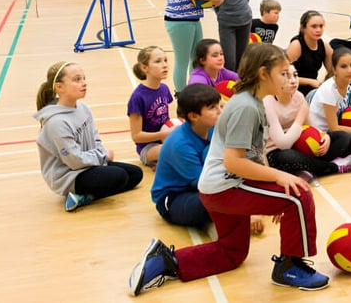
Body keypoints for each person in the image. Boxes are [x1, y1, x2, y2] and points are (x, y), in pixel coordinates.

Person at [129, 43, 330, 296]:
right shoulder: (246, 107)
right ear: (263, 74)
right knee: (300, 196)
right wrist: (280, 177)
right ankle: (290, 267)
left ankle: (166, 261)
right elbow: (233, 162)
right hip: (226, 186)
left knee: (232, 253)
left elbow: (254, 155)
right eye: (282, 73)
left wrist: (275, 188)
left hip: (219, 186)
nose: (287, 78)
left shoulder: (253, 102)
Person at [35, 61, 143, 212]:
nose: (83, 83)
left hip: (88, 165)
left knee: (135, 174)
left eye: (84, 78)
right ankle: (74, 192)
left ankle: (86, 196)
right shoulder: (56, 122)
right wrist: (103, 156)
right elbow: (74, 161)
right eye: (77, 79)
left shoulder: (82, 108)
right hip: (69, 175)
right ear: (59, 87)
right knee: (119, 176)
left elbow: (95, 137)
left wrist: (101, 155)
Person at [264, 63, 351, 179]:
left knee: (342, 137)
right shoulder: (268, 101)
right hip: (278, 151)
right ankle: (335, 166)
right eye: (286, 76)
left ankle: (307, 169)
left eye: (295, 75)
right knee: (287, 156)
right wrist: (300, 116)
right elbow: (283, 145)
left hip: (301, 144)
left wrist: (324, 136)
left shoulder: (298, 96)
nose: (293, 81)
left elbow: (310, 127)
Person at [151, 84, 222, 228]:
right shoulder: (180, 144)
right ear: (194, 116)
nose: (220, 111)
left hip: (198, 186)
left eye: (219, 105)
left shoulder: (214, 127)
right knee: (217, 201)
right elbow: (204, 183)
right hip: (173, 197)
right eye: (212, 108)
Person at [127, 46, 174, 168]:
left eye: (165, 60)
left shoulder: (164, 89)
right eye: (158, 61)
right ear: (144, 68)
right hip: (148, 148)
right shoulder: (138, 97)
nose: (164, 65)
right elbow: (136, 136)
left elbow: (167, 121)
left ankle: (165, 163)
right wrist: (161, 135)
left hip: (164, 140)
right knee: (176, 151)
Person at [286, 10, 334, 97]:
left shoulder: (324, 45)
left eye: (321, 26)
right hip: (293, 89)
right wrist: (310, 82)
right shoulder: (296, 45)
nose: (318, 30)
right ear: (303, 28)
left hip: (312, 89)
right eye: (314, 26)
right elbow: (284, 76)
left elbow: (333, 71)